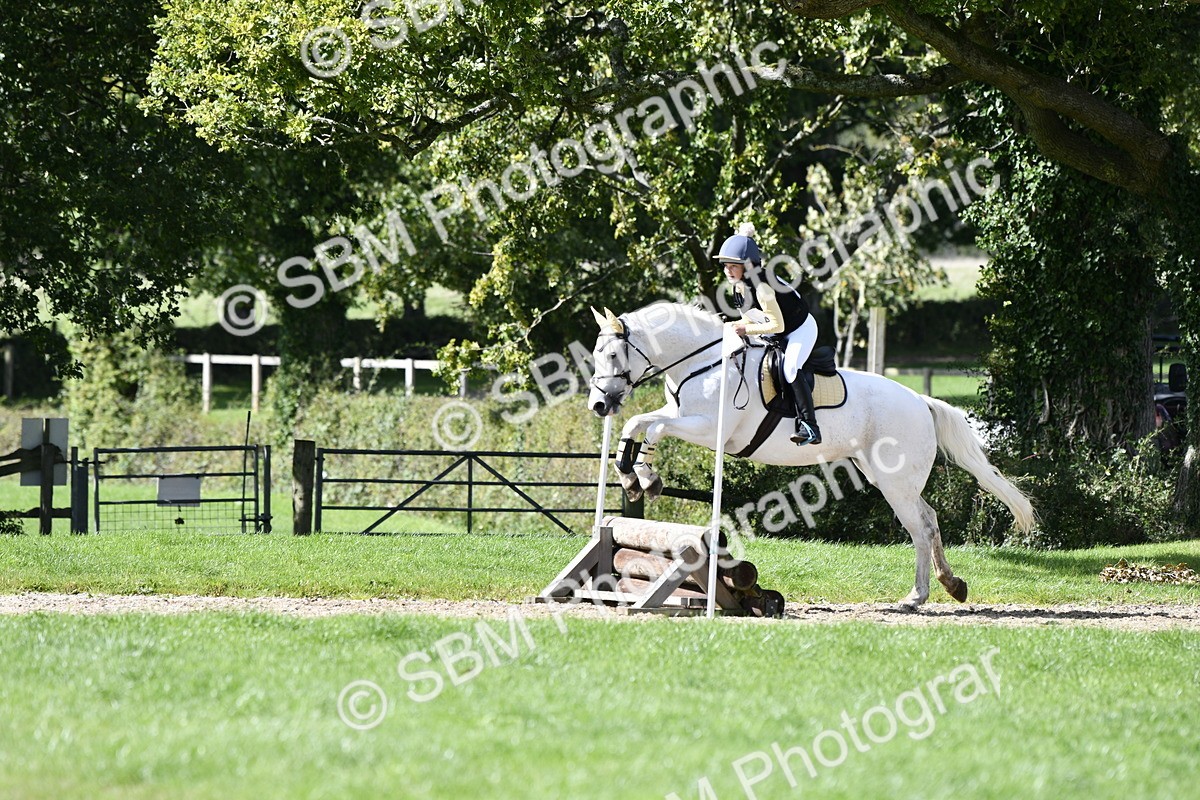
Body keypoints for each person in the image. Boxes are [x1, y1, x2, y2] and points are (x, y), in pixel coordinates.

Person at [717, 223, 821, 445]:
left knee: (790, 368)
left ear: (747, 265)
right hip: (777, 330)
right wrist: (737, 324)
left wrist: (745, 329)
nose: (727, 270)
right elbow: (751, 315)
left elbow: (778, 325)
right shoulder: (740, 285)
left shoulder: (763, 287)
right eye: (725, 265)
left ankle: (810, 426)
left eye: (732, 266)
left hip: (800, 329)